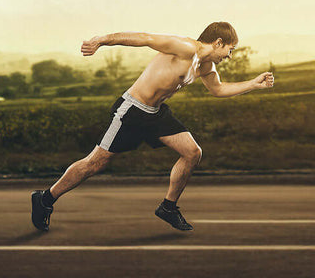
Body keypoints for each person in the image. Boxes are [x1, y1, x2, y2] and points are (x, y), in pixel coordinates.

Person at [31, 22, 274, 232]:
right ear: (219, 42)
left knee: (192, 152)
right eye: (230, 50)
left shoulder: (206, 67)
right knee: (96, 162)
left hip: (156, 113)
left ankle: (168, 207)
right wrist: (101, 40)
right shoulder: (186, 48)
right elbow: (145, 39)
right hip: (133, 110)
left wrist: (253, 84)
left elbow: (219, 90)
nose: (229, 56)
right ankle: (45, 199)